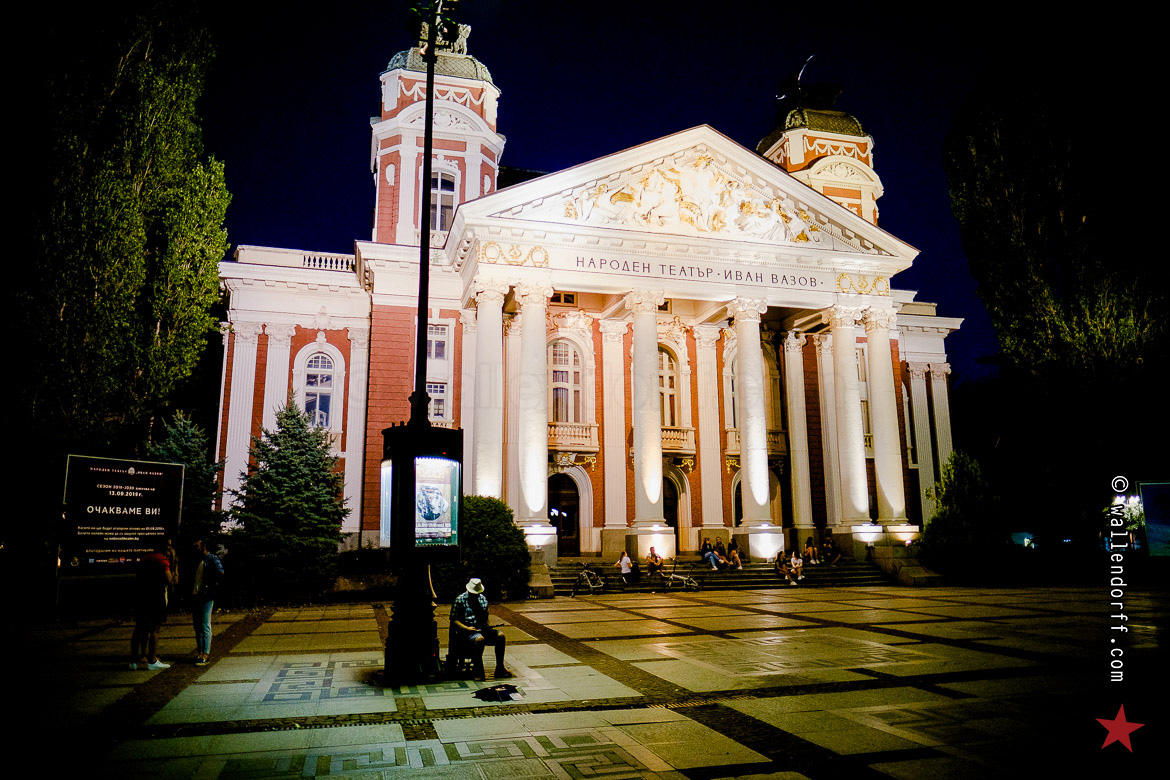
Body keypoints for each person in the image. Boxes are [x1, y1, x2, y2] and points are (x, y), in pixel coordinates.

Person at [450, 577, 512, 681]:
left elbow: (485, 617)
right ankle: (478, 670)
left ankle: (500, 668)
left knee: (500, 636)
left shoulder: (482, 599)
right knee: (479, 640)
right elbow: (454, 619)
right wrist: (466, 628)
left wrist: (486, 626)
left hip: (481, 629)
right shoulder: (460, 600)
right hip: (467, 632)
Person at [130, 540, 172, 670]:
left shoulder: (144, 559)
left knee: (139, 628)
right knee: (155, 629)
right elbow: (169, 579)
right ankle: (152, 660)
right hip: (156, 596)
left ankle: (133, 661)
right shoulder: (162, 560)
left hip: (142, 596)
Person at [191, 539, 223, 667]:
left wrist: (211, 587)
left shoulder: (211, 559)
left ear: (203, 546)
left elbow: (220, 572)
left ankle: (205, 653)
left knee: (204, 624)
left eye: (197, 546)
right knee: (198, 625)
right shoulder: (197, 560)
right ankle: (200, 652)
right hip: (196, 595)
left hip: (206, 596)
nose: (195, 548)